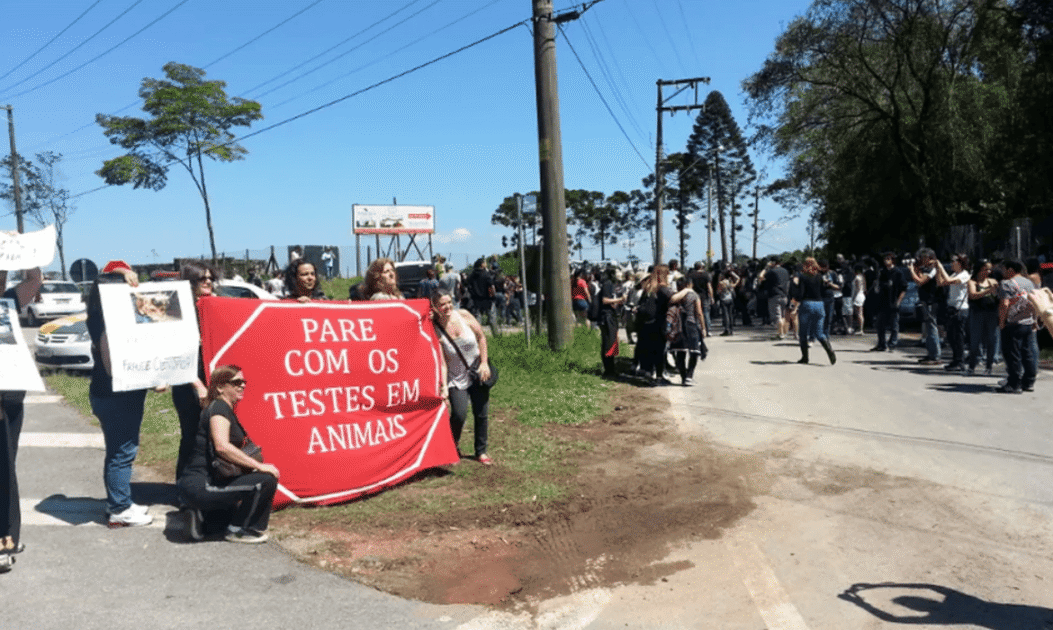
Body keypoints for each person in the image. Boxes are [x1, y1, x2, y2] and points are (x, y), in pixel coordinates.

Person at [177, 365, 279, 543]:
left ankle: (200, 518)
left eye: (243, 382)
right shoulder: (219, 409)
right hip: (203, 484)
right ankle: (240, 530)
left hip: (199, 483)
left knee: (226, 517)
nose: (242, 386)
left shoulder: (218, 406)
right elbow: (222, 447)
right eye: (236, 382)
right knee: (265, 481)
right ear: (220, 387)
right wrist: (259, 465)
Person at [87, 261, 154, 527]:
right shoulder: (107, 322)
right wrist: (149, 375)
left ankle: (120, 500)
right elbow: (114, 367)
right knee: (122, 452)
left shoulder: (97, 315)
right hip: (117, 395)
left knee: (119, 450)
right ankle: (119, 509)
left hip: (109, 394)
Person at [430, 289, 493, 465]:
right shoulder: (435, 329)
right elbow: (442, 362)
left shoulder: (464, 315)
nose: (447, 306)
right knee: (458, 414)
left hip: (478, 372)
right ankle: (452, 446)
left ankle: (481, 451)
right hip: (456, 377)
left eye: (449, 302)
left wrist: (484, 362)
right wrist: (443, 387)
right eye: (442, 304)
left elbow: (481, 337)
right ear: (435, 307)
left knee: (481, 413)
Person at [172, 261, 217, 481]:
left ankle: (205, 482)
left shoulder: (212, 307)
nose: (208, 281)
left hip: (211, 382)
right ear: (190, 283)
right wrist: (198, 386)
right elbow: (178, 355)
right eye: (202, 278)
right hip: (189, 384)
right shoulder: (181, 313)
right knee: (192, 436)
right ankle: (185, 487)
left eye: (210, 278)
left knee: (212, 435)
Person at [996, 260, 1037, 393]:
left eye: (1003, 269)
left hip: (1012, 323)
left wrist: (1002, 322)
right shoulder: (1029, 283)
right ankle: (1029, 381)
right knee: (1027, 352)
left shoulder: (1006, 284)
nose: (1002, 272)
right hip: (1028, 322)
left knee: (1012, 354)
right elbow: (1035, 301)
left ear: (1011, 270)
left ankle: (1014, 384)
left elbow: (1005, 304)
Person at [789, 257, 836, 365]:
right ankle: (830, 351)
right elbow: (823, 291)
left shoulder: (803, 277)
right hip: (819, 305)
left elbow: (800, 294)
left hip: (806, 305)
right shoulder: (820, 277)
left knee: (803, 333)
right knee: (819, 333)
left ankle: (805, 358)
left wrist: (795, 305)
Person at [1, 390, 26, 573]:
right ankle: (5, 541)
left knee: (7, 464)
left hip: (11, 396)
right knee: (4, 468)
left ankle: (8, 540)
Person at [935, 253, 971, 372]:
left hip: (960, 309)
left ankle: (960, 361)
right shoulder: (954, 274)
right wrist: (937, 270)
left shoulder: (965, 275)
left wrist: (941, 267)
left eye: (954, 262)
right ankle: (955, 360)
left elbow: (949, 280)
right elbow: (941, 282)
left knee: (958, 337)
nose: (951, 264)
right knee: (950, 336)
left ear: (960, 263)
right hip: (951, 308)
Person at [669, 274, 706, 385]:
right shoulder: (694, 295)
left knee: (680, 352)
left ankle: (684, 376)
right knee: (694, 351)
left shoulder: (676, 295)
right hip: (691, 324)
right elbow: (699, 312)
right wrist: (703, 327)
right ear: (690, 284)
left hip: (678, 326)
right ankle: (689, 376)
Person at [966, 259, 999, 376]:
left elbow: (998, 295)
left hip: (991, 313)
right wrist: (987, 291)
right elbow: (973, 295)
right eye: (986, 269)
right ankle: (971, 365)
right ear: (979, 269)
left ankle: (989, 366)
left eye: (990, 269)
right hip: (977, 313)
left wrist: (996, 291)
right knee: (975, 340)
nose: (988, 271)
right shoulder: (973, 282)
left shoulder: (993, 281)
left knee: (992, 340)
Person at [910, 248, 941, 365]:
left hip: (931, 302)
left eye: (925, 257)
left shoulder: (933, 270)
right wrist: (917, 268)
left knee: (932, 328)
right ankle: (930, 354)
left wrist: (912, 270)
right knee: (928, 329)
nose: (922, 260)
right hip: (925, 300)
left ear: (931, 259)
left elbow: (920, 281)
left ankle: (936, 356)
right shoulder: (926, 269)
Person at [871, 252, 906, 352]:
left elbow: (904, 288)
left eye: (888, 258)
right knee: (880, 324)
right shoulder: (882, 272)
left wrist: (899, 300)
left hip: (893, 301)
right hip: (882, 302)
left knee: (894, 325)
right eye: (885, 259)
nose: (886, 260)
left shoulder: (898, 272)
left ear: (892, 260)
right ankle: (881, 344)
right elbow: (879, 285)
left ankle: (892, 344)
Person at [597, 267, 627, 377]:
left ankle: (611, 369)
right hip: (606, 317)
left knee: (612, 341)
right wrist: (620, 300)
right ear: (613, 273)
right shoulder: (607, 284)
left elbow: (611, 301)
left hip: (611, 316)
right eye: (618, 271)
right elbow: (605, 300)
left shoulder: (613, 285)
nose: (620, 274)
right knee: (608, 343)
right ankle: (608, 370)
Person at [759, 257, 790, 340]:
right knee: (783, 316)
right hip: (784, 295)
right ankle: (782, 332)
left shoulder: (772, 271)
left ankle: (780, 334)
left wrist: (766, 268)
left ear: (773, 262)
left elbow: (761, 277)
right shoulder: (785, 271)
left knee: (777, 317)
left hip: (775, 295)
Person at [717, 268, 739, 336]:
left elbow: (718, 292)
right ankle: (731, 329)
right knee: (730, 315)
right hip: (730, 299)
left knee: (726, 315)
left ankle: (727, 329)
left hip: (724, 299)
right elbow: (737, 279)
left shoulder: (721, 283)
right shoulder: (730, 282)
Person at [851, 264, 866, 334]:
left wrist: (853, 297)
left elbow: (857, 289)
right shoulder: (862, 277)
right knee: (860, 313)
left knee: (859, 313)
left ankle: (860, 329)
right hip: (862, 294)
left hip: (858, 295)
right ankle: (860, 328)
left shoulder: (857, 278)